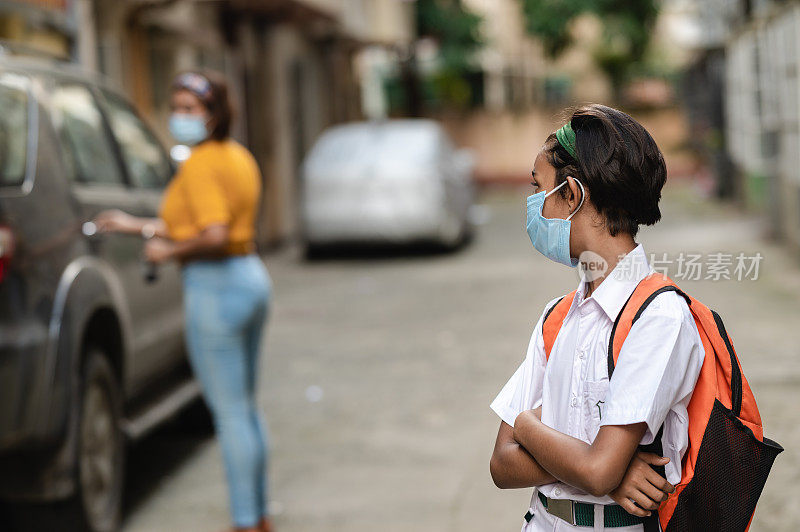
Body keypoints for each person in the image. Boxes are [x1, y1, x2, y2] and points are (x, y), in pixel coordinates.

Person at [489, 104, 704, 531]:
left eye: (539, 188)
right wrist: (604, 469)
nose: (533, 206)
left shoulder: (658, 317)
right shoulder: (558, 316)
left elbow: (596, 470)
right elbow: (501, 464)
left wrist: (529, 425)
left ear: (572, 194)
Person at [95, 71, 273, 532]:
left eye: (190, 109)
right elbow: (205, 223)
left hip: (216, 287)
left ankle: (244, 521)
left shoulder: (199, 165)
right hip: (250, 277)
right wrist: (137, 225)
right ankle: (259, 514)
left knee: (230, 413)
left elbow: (211, 235)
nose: (179, 117)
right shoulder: (236, 156)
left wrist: (166, 252)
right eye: (175, 108)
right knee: (246, 408)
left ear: (214, 114)